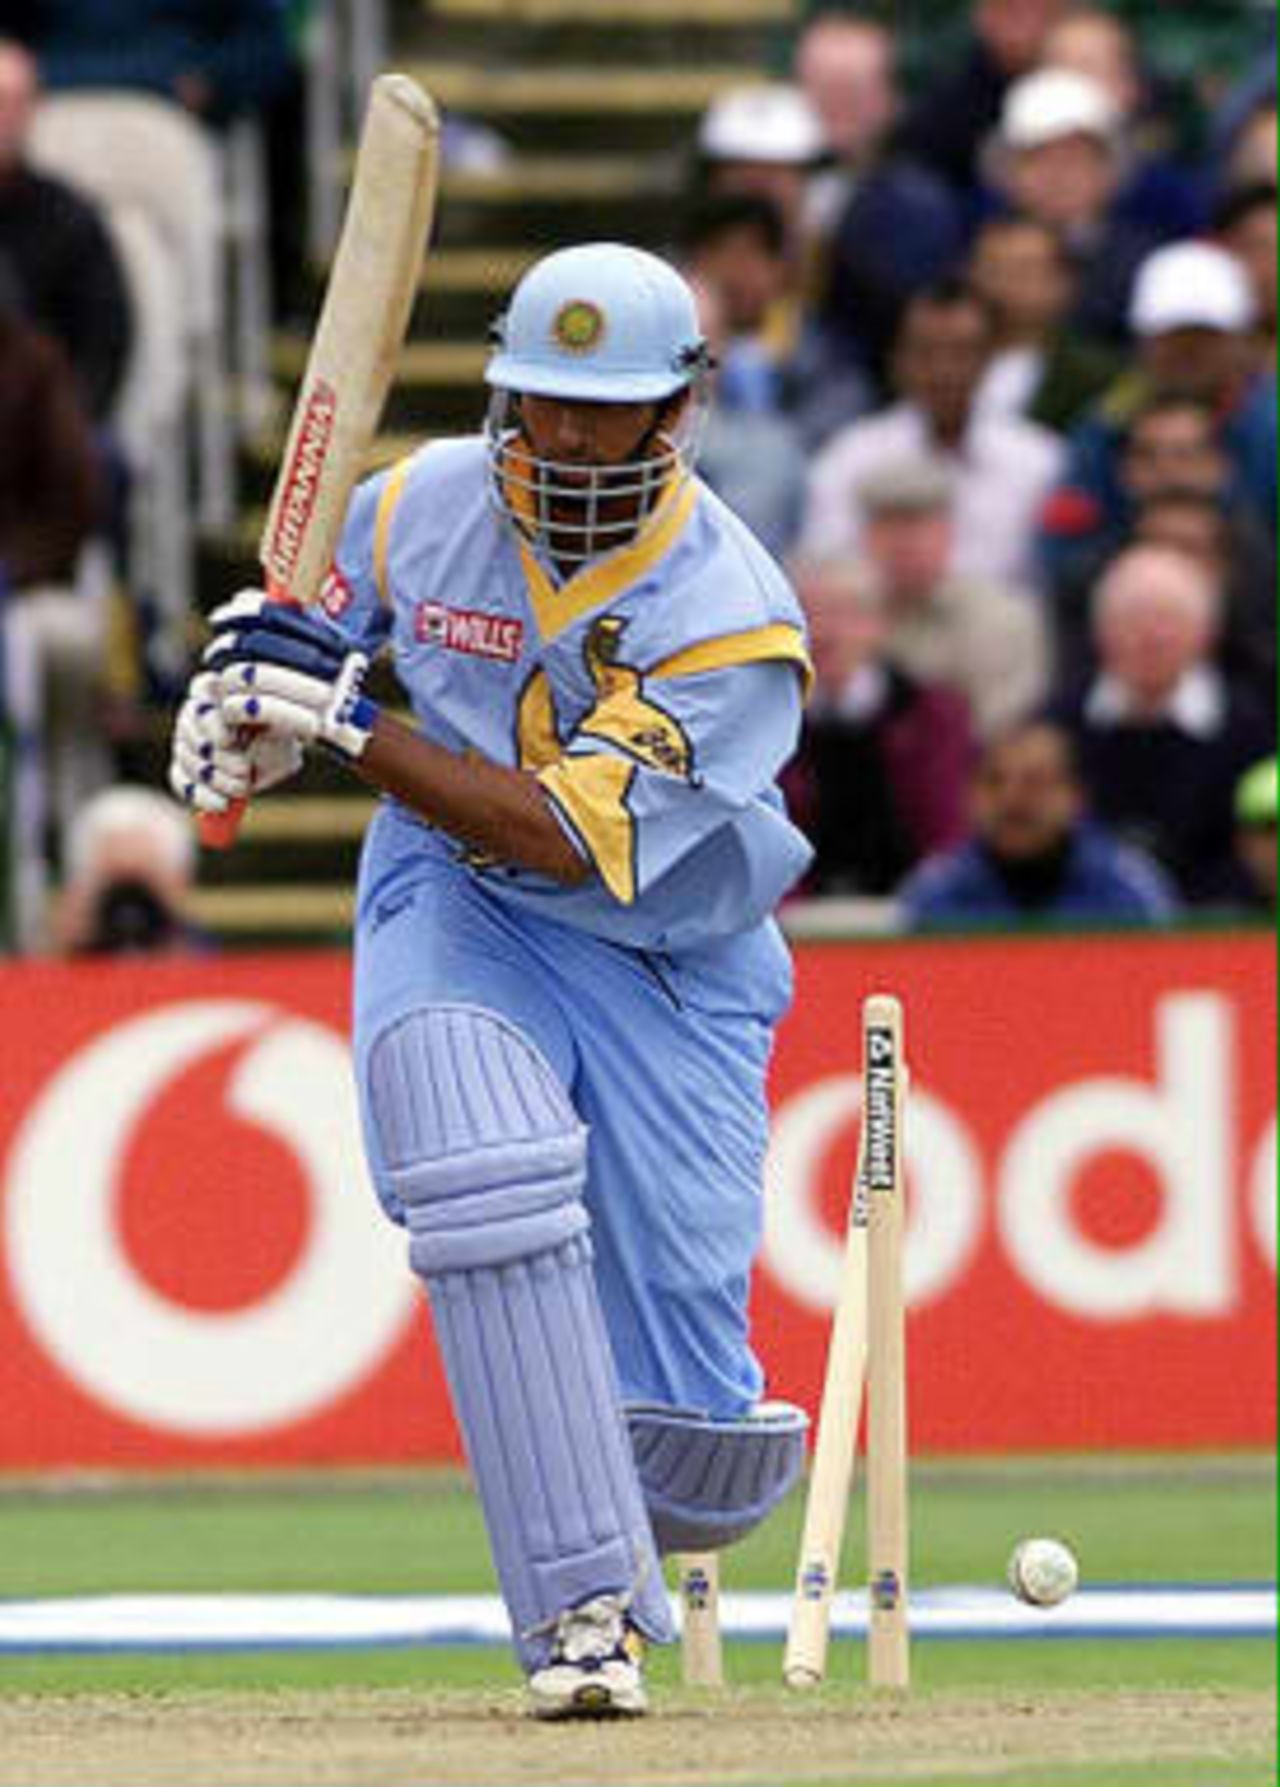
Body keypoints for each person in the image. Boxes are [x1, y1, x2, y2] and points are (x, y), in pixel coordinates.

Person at [169, 244, 812, 1719]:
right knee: (483, 1171)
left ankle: (648, 1510)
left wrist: (338, 719)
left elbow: (555, 835)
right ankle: (578, 1615)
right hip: (456, 900)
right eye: (547, 405)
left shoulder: (733, 620)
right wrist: (242, 710)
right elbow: (299, 630)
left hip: (669, 958)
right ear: (503, 390)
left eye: (612, 413)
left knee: (694, 1460)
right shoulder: (412, 504)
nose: (574, 442)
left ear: (683, 410)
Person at [799, 281, 1064, 592]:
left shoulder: (1040, 461)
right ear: (897, 360)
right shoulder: (852, 457)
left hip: (998, 632)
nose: (944, 370)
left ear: (990, 359)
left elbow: (1045, 586)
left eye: (961, 352)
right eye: (925, 352)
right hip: (881, 628)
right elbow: (825, 570)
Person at [1048, 545, 1273, 904]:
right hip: (1087, 928)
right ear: (1100, 632)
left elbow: (1257, 843)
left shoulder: (1251, 728)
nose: (1151, 636)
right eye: (1132, 619)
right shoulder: (1059, 723)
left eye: (1169, 619)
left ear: (1207, 634)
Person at [785, 554, 973, 895]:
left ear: (879, 624)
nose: (826, 631)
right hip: (797, 920)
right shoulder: (770, 721)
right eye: (809, 614)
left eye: (845, 614)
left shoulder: (931, 715)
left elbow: (947, 834)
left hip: (914, 915)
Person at [900, 719, 1176, 927]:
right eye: (993, 782)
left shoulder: (1125, 889)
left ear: (1075, 796)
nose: (1012, 800)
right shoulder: (935, 891)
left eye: (1035, 782)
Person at [0, 37, 131, 421]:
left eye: (12, 102)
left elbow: (103, 350)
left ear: (33, 110)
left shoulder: (70, 220)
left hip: (46, 431)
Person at [985, 67, 1165, 343]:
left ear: (1109, 171)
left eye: (1076, 159)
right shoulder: (982, 253)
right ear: (1009, 174)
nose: (1058, 175)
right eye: (1039, 159)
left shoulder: (1145, 265)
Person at [968, 213, 1119, 431]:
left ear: (1065, 282)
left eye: (1025, 270)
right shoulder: (936, 361)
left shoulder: (1098, 377)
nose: (1007, 283)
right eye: (994, 269)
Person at [51, 782, 204, 955]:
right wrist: (68, 940)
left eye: (141, 880)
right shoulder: (73, 931)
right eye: (114, 879)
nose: (128, 903)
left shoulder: (193, 944)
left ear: (180, 881)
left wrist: (172, 925)